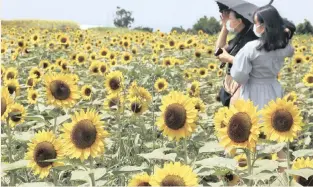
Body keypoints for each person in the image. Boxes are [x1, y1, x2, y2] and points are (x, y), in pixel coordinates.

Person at [217, 5, 295, 110]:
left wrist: (230, 59)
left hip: (253, 91)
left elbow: (240, 76)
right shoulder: (284, 46)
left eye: (256, 23)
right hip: (273, 89)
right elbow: (289, 46)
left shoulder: (251, 47)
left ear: (263, 26)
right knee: (271, 119)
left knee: (254, 120)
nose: (254, 25)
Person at [215, 5, 258, 106]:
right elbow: (218, 51)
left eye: (229, 18)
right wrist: (225, 27)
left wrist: (230, 59)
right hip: (228, 91)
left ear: (239, 21)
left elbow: (254, 66)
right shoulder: (239, 37)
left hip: (240, 94)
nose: (227, 19)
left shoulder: (252, 41)